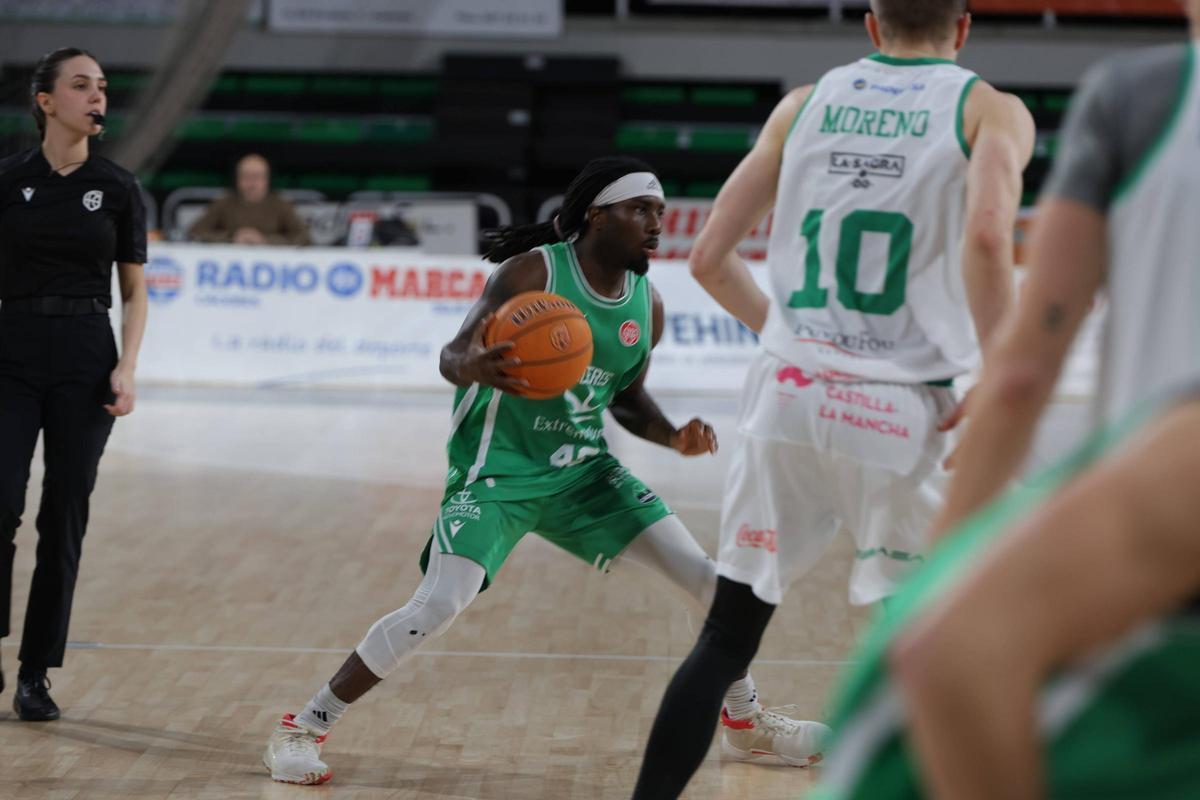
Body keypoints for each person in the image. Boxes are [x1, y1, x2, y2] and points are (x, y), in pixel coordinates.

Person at [261, 157, 821, 785]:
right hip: (497, 474)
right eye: (640, 210)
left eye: (660, 212)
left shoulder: (648, 305)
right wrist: (474, 366)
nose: (656, 224)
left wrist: (672, 436)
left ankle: (745, 722)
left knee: (712, 586)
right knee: (439, 602)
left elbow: (627, 399)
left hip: (585, 475)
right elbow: (452, 354)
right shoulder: (532, 273)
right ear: (597, 215)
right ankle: (302, 726)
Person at [631, 1, 1035, 795]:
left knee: (727, 636)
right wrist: (1000, 372)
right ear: (963, 28)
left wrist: (794, 343)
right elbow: (990, 237)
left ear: (871, 26)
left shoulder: (803, 105)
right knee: (929, 636)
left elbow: (708, 257)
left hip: (786, 396)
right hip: (902, 407)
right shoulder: (989, 109)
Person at [813, 6, 1200, 798]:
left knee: (906, 723)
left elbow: (1022, 372)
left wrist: (947, 579)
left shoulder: (1143, 96)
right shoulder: (991, 109)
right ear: (959, 28)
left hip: (1149, 564)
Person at [0, 47, 147, 721]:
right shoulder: (8, 180)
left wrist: (127, 365)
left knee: (64, 515)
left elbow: (134, 292)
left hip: (87, 354)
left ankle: (35, 672)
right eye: (82, 86)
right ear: (46, 101)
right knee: (1, 504)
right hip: (11, 349)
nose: (97, 98)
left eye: (103, 87)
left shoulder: (118, 188)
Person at [186, 153, 311, 246]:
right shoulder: (224, 202)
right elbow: (195, 232)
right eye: (246, 177)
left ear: (266, 179)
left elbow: (304, 237)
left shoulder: (280, 204)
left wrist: (266, 240)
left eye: (256, 177)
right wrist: (231, 238)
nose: (251, 183)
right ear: (237, 179)